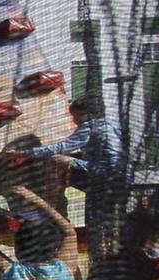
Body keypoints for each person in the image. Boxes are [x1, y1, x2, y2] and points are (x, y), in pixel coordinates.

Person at [9, 96, 126, 250]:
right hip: (122, 178)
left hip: (102, 177)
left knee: (58, 160)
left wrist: (23, 153)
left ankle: (49, 206)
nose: (74, 120)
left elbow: (61, 147)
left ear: (87, 114)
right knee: (111, 219)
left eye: (76, 116)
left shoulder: (90, 127)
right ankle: (111, 245)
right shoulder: (113, 124)